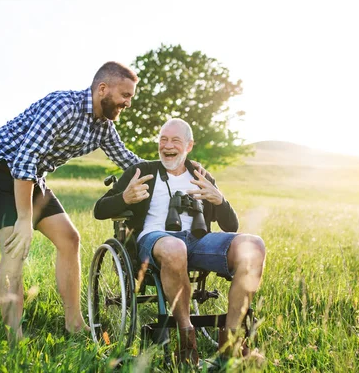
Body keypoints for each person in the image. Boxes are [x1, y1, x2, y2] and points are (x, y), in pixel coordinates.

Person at [0, 61, 145, 340]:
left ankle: (74, 324)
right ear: (103, 88)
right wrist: (25, 218)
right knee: (15, 246)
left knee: (70, 239)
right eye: (125, 95)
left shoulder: (103, 126)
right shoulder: (63, 106)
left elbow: (130, 162)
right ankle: (12, 334)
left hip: (31, 175)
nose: (128, 103)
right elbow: (24, 160)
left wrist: (175, 170)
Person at [94, 118, 266, 365]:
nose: (167, 145)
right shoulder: (142, 171)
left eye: (175, 140)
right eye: (163, 140)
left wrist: (219, 200)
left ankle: (231, 344)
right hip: (153, 241)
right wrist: (124, 197)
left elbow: (231, 226)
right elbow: (100, 209)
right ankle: (187, 341)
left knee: (254, 246)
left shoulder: (200, 175)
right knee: (176, 247)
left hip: (198, 241)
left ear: (189, 145)